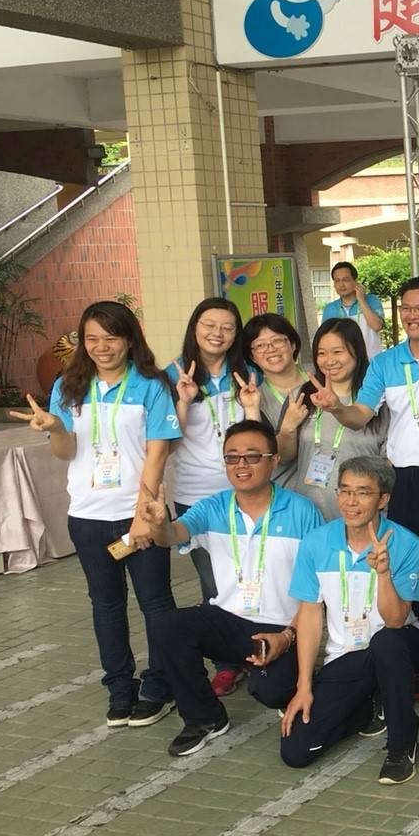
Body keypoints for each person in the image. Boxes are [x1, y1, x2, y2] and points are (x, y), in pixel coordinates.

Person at [9, 301, 180, 727]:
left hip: (139, 513)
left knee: (156, 602)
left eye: (111, 337)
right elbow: (65, 452)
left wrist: (143, 515)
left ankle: (160, 685)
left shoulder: (151, 385)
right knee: (105, 605)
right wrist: (56, 428)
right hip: (87, 516)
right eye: (92, 339)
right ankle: (120, 688)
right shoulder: (68, 385)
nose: (102, 347)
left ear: (129, 340)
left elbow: (158, 454)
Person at [141, 419, 325, 756]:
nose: (242, 465)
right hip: (227, 620)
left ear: (274, 460)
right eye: (232, 457)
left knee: (271, 691)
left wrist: (288, 636)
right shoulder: (213, 507)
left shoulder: (302, 512)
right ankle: (204, 718)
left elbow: (318, 592)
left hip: (279, 627)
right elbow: (172, 536)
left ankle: (293, 680)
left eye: (253, 456)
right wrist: (159, 524)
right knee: (168, 625)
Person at [312, 276, 419, 630]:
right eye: (406, 308)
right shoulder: (385, 363)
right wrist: (336, 407)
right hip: (402, 479)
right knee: (408, 560)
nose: (411, 315)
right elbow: (360, 416)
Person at [281, 455, 419, 785]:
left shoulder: (406, 543)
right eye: (344, 490)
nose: (350, 501)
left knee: (386, 642)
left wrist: (383, 573)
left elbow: (396, 621)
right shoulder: (316, 543)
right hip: (346, 656)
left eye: (363, 492)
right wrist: (304, 686)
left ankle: (402, 744)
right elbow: (310, 615)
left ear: (383, 500)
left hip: (398, 645)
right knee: (296, 751)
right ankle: (367, 704)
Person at [168, 297, 257, 696]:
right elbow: (167, 443)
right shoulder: (172, 375)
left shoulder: (247, 373)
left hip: (245, 492)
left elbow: (258, 435)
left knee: (253, 574)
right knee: (213, 580)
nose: (217, 333)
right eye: (209, 325)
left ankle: (257, 650)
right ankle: (226, 662)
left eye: (227, 327)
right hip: (196, 495)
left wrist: (251, 406)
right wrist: (183, 401)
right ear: (195, 327)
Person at [277, 319, 388, 520]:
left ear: (357, 351)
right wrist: (287, 429)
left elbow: (389, 466)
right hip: (308, 516)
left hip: (361, 517)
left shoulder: (377, 401)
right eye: (321, 353)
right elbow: (284, 458)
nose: (329, 361)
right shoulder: (302, 396)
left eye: (337, 352)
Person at [242, 313, 308, 487]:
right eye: (260, 345)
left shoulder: (321, 379)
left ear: (293, 345)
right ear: (252, 357)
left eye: (277, 341)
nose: (270, 349)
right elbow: (261, 455)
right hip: (286, 494)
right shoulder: (254, 399)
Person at [321, 260, 386, 357]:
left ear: (355, 281)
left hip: (372, 360)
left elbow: (377, 326)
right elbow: (326, 339)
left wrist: (361, 300)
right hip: (344, 362)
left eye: (345, 280)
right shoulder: (330, 309)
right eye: (337, 281)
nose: (341, 285)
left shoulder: (372, 300)